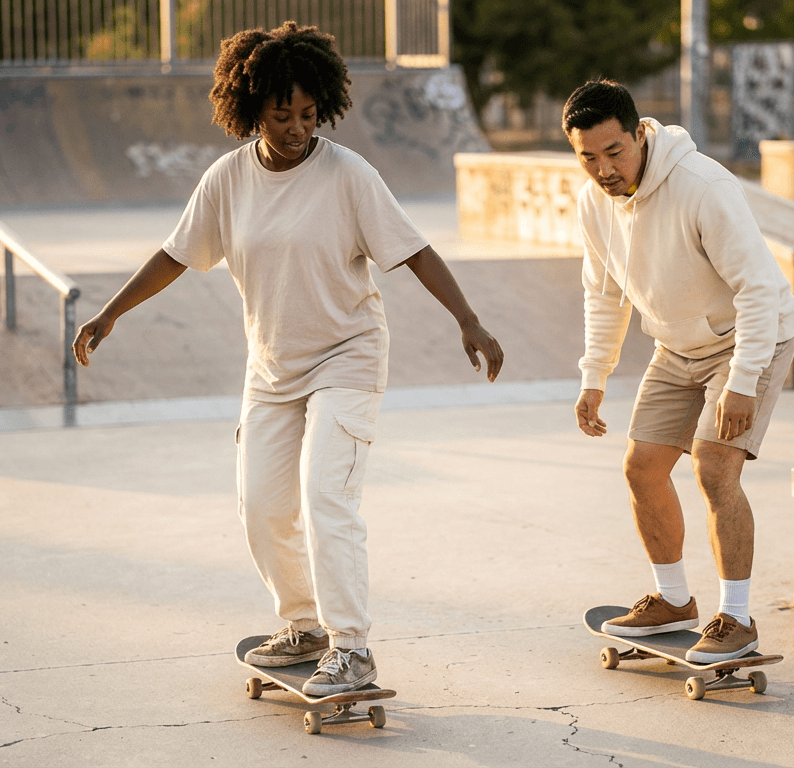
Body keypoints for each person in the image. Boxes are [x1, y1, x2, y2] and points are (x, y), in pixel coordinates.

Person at [72, 22, 503, 695]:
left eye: (308, 114)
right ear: (250, 109)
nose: (297, 127)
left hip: (348, 356)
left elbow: (413, 249)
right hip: (272, 368)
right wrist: (111, 311)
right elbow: (177, 253)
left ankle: (352, 647)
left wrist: (469, 320)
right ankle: (302, 625)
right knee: (261, 507)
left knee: (325, 495)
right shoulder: (228, 180)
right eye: (281, 114)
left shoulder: (349, 175)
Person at [564, 80, 794, 663]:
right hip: (677, 347)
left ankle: (737, 618)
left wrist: (743, 380)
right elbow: (605, 293)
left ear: (640, 133)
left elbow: (759, 290)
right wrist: (594, 376)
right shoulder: (595, 203)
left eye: (613, 151)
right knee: (642, 467)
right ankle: (674, 600)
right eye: (588, 157)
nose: (603, 169)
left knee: (716, 469)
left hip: (751, 336)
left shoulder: (702, 186)